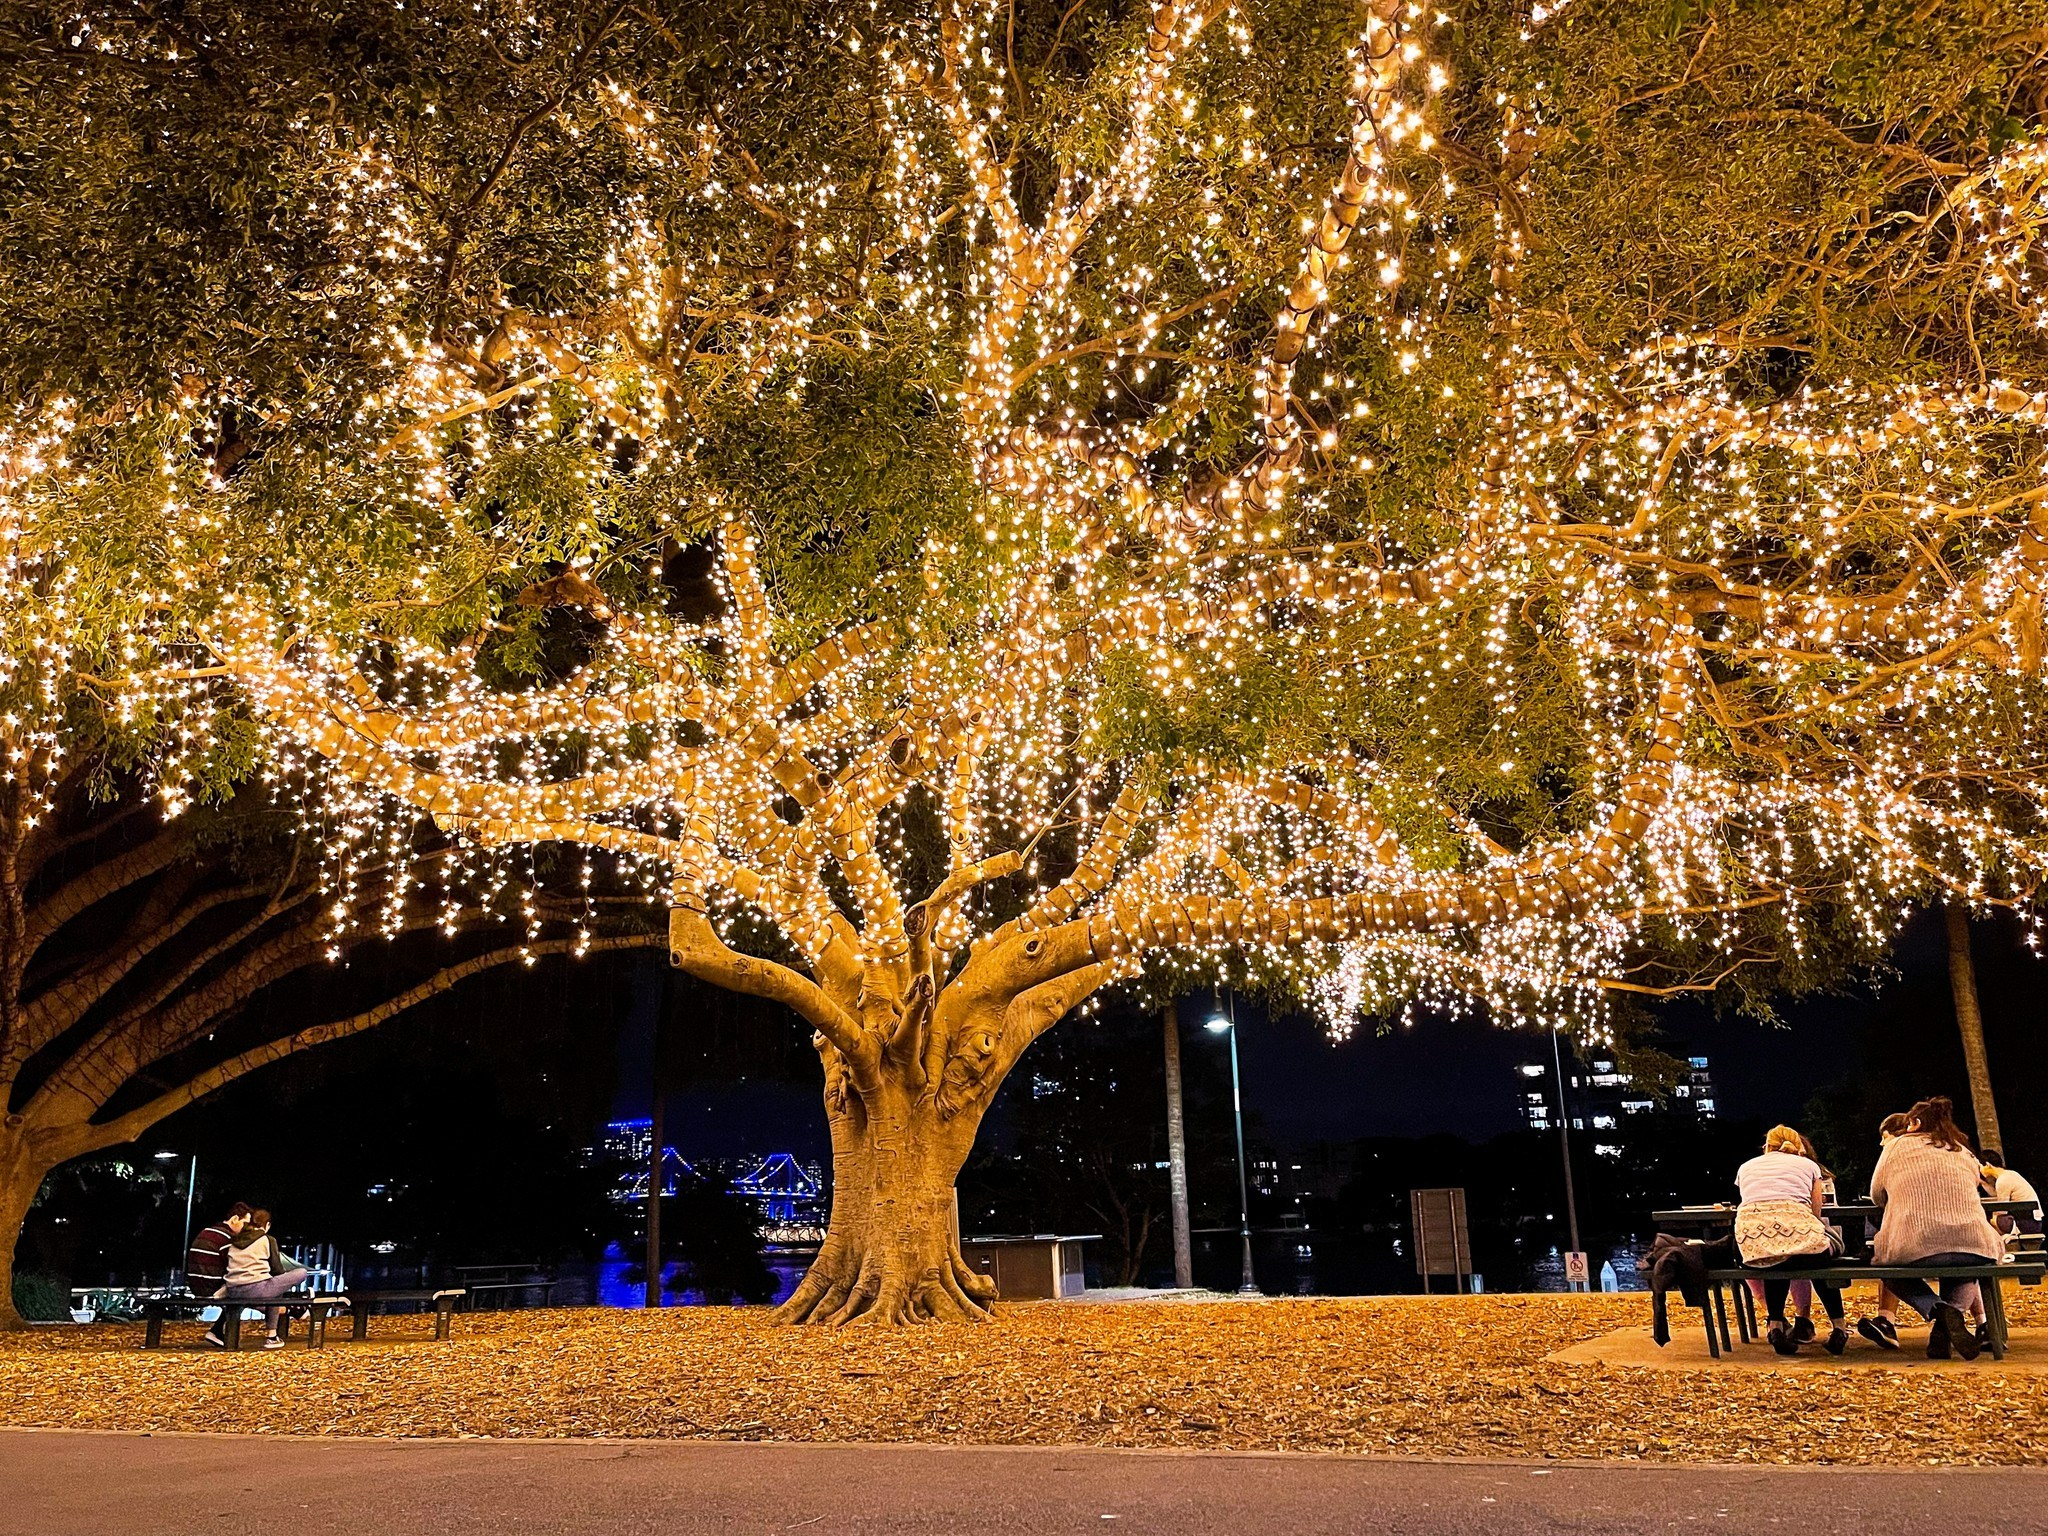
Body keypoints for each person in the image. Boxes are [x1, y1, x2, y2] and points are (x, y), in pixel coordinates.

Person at [1869, 1096, 2003, 1361]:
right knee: (1966, 1268)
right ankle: (1945, 1327)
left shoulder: (1895, 1147)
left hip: (1914, 1243)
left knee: (1887, 1269)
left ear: (1915, 1123)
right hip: (1973, 1241)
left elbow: (1877, 1196)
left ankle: (1939, 1312)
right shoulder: (1963, 1151)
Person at [1734, 1125, 1848, 1355]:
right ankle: (1839, 1328)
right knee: (1815, 1257)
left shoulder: (1746, 1167)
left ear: (1767, 1146)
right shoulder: (1809, 1166)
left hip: (1752, 1248)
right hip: (1803, 1247)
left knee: (1776, 1257)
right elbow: (1816, 1213)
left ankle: (1775, 1326)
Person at [217, 1209, 311, 1350]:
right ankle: (273, 1334)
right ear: (267, 1225)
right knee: (301, 1273)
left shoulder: (235, 1240)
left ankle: (288, 1317)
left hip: (233, 1290)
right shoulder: (267, 1239)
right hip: (256, 1289)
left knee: (275, 1288)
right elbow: (277, 1270)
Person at [186, 1203, 253, 1346]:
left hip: (196, 1285)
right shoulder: (228, 1239)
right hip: (211, 1287)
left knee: (242, 1288)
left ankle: (217, 1331)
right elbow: (234, 1268)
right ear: (235, 1219)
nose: (245, 1229)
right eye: (245, 1223)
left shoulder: (208, 1231)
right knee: (243, 1289)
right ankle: (219, 1332)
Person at [1979, 1151, 2043, 1239]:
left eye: (1980, 1166)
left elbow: (2001, 1210)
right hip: (2034, 1222)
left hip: (2028, 1223)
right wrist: (1981, 1182)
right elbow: (1996, 1194)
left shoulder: (2003, 1180)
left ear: (1987, 1165)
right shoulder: (2009, 1174)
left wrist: (1993, 1220)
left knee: (1991, 1220)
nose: (1979, 1170)